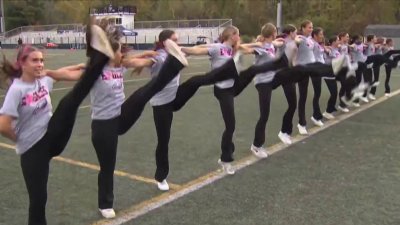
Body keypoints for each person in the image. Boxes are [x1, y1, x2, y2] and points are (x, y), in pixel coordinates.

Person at [0, 24, 115, 225]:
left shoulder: (44, 79)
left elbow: (66, 75)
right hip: (33, 150)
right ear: (22, 63)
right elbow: (3, 125)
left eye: (42, 60)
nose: (40, 64)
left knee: (70, 101)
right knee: (38, 200)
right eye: (35, 60)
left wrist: (88, 70)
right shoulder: (17, 90)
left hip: (52, 136)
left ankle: (100, 56)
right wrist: (19, 138)